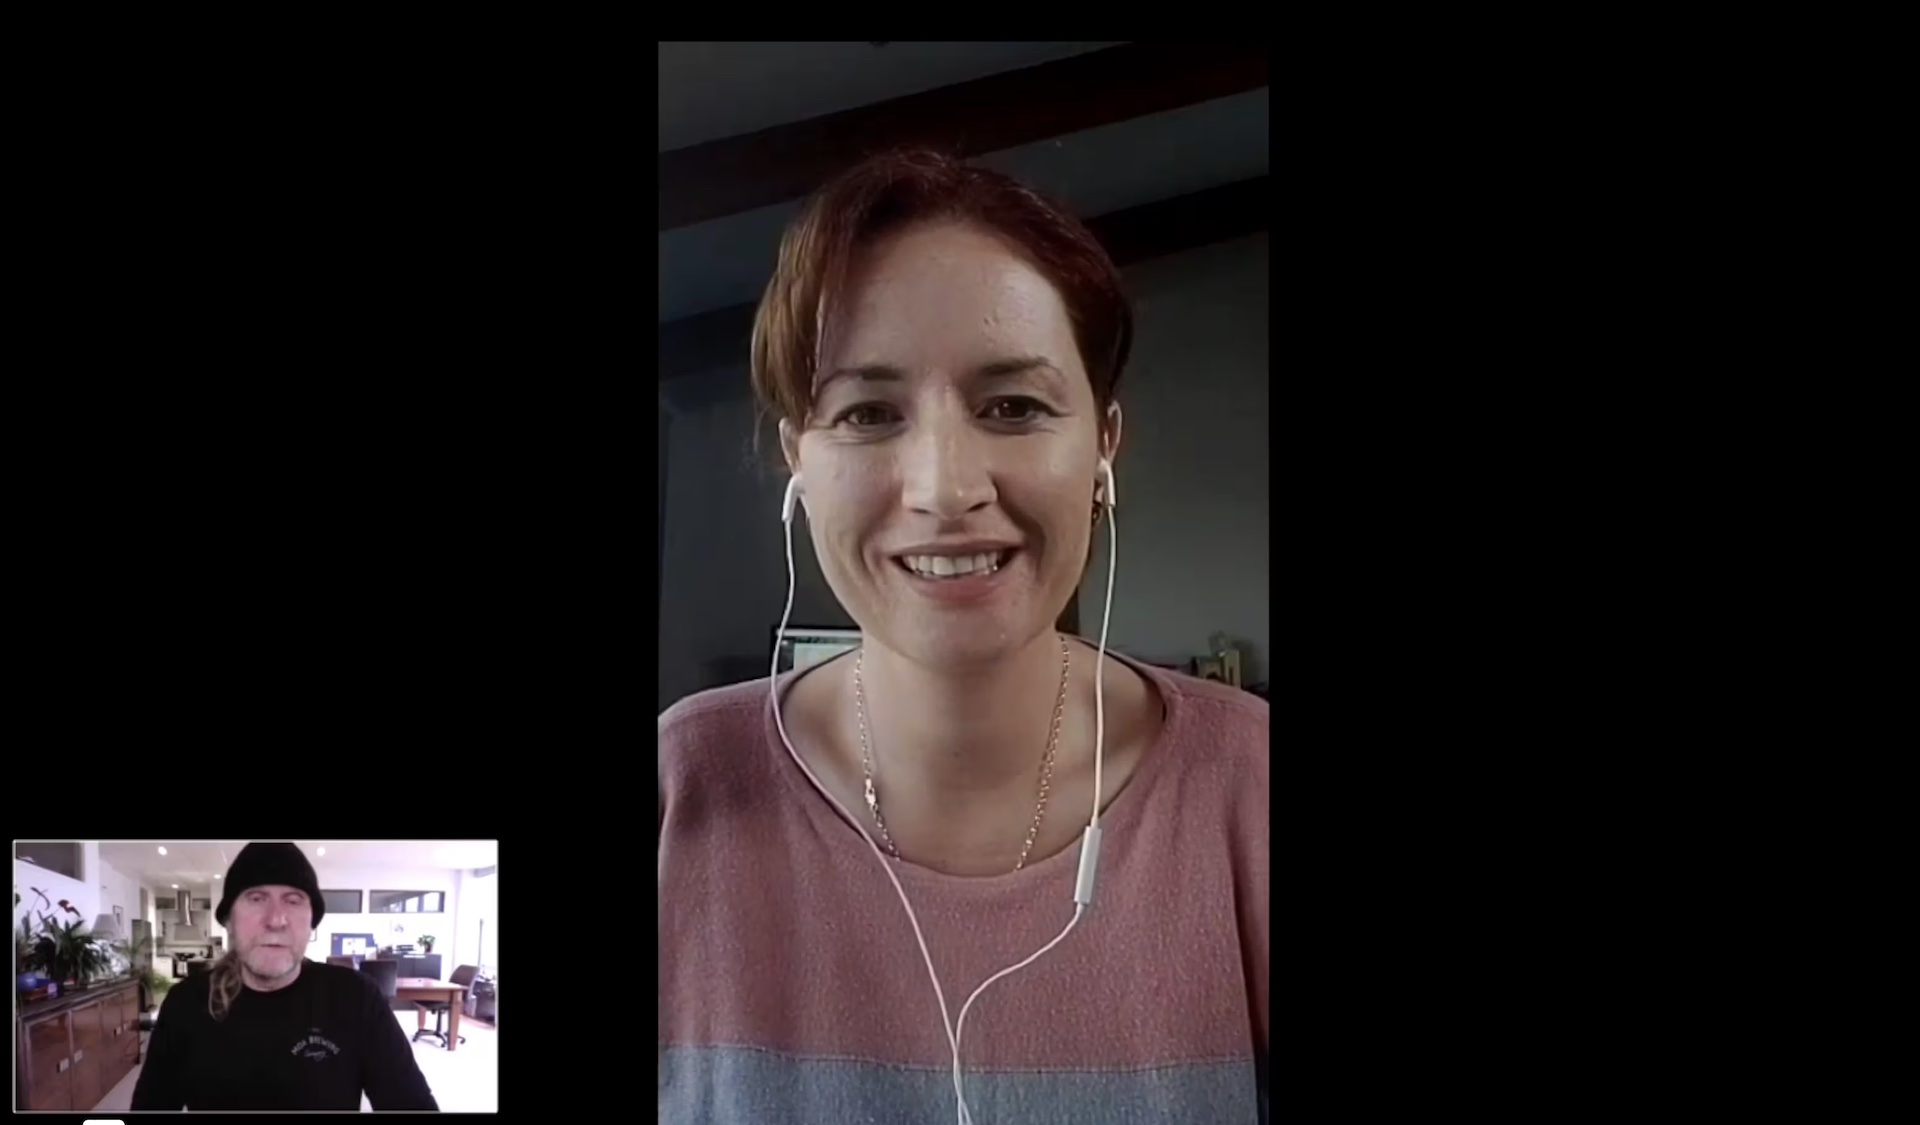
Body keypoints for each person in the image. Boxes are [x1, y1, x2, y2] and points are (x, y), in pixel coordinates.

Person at [658, 149, 1269, 1123]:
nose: (945, 488)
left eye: (1013, 406)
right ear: (796, 460)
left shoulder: (1251, 792)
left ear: (1104, 443)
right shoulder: (678, 793)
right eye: (869, 413)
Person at [130, 842, 439, 1111]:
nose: (276, 920)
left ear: (311, 922)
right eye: (256, 898)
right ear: (229, 920)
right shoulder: (186, 1003)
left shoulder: (357, 997)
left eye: (293, 900)